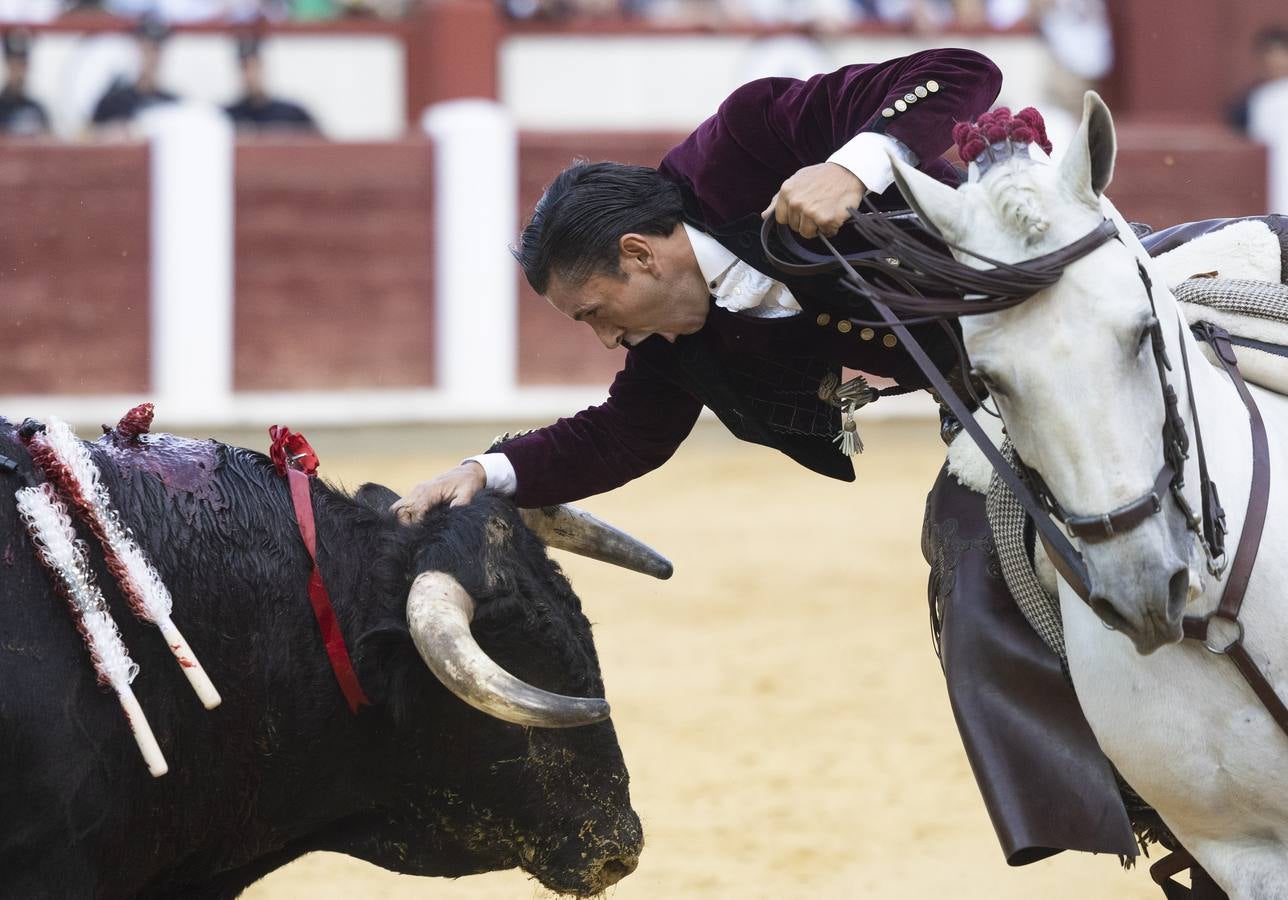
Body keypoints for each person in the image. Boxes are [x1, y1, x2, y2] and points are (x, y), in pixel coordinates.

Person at [387, 48, 1157, 871]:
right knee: (966, 555)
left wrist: (852, 165)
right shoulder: (678, 344)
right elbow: (625, 433)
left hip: (1075, 300)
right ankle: (1116, 806)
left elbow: (963, 73)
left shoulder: (746, 143)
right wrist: (487, 471)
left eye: (594, 313)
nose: (608, 338)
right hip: (1004, 393)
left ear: (641, 255)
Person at [90, 16, 178, 130]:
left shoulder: (171, 103)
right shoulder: (113, 101)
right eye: (145, 49)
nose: (151, 57)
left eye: (156, 49)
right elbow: (85, 136)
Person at [224, 34, 319, 134]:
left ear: (263, 67)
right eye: (245, 68)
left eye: (255, 67)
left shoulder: (293, 115)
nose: (250, 76)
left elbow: (321, 145)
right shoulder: (227, 117)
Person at [0, 28, 49, 136]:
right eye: (14, 65)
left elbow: (50, 143)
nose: (18, 73)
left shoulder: (36, 109)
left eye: (22, 65)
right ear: (7, 66)